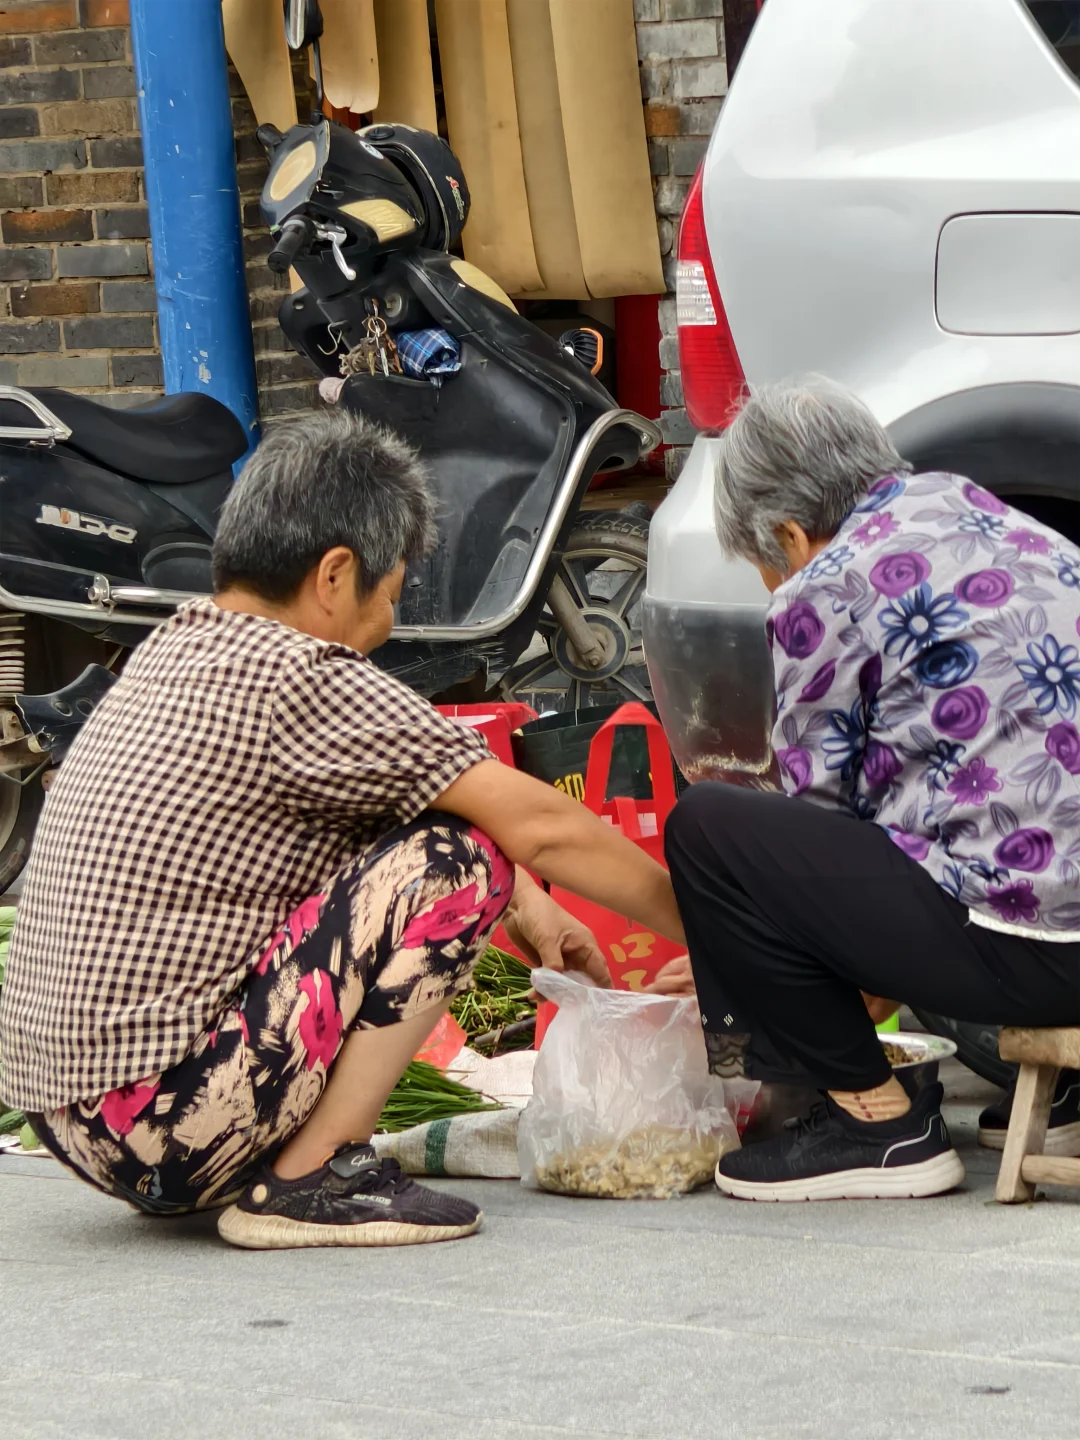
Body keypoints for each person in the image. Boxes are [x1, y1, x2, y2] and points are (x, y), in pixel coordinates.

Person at [0, 410, 683, 1249]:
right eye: (389, 596)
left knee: (451, 843)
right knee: (457, 864)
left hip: (77, 1121)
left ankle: (265, 1164)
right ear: (334, 575)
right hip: (159, 1123)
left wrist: (536, 912)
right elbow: (537, 825)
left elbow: (392, 804)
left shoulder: (181, 645)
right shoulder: (302, 675)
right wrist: (723, 943)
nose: (387, 628)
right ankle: (314, 1176)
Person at [655, 379, 1080, 1202]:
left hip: (1039, 953)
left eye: (764, 563)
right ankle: (1066, 1092)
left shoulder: (831, 582)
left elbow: (815, 826)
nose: (774, 583)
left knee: (712, 832)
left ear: (786, 531)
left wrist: (746, 963)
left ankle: (873, 1124)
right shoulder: (979, 512)